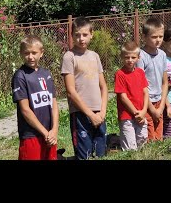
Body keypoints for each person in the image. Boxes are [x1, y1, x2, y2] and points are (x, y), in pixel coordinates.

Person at [61, 16, 108, 160]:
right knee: (84, 155)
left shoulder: (95, 56)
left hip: (99, 113)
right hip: (80, 114)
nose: (81, 38)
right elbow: (71, 92)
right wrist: (90, 115)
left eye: (85, 34)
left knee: (100, 154)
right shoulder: (69, 57)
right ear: (72, 36)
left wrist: (102, 111)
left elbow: (104, 87)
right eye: (77, 35)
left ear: (91, 34)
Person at [11, 35, 59, 160]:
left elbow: (54, 104)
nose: (30, 57)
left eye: (34, 52)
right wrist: (45, 132)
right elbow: (25, 110)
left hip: (50, 135)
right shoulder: (20, 76)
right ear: (21, 53)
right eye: (27, 53)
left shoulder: (46, 74)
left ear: (41, 53)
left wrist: (54, 130)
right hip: (31, 135)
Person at [136, 17, 169, 142]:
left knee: (159, 135)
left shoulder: (162, 55)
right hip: (146, 102)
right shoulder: (141, 56)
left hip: (159, 101)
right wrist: (152, 108)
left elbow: (165, 82)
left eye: (160, 36)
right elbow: (141, 86)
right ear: (144, 37)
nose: (158, 40)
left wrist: (161, 107)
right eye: (154, 37)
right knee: (149, 136)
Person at [114, 41, 149, 151]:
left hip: (141, 115)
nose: (130, 60)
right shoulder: (120, 74)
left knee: (143, 144)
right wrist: (135, 113)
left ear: (138, 57)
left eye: (133, 57)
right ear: (122, 57)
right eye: (127, 57)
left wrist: (143, 111)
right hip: (127, 116)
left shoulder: (140, 72)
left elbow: (145, 92)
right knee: (130, 149)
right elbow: (123, 97)